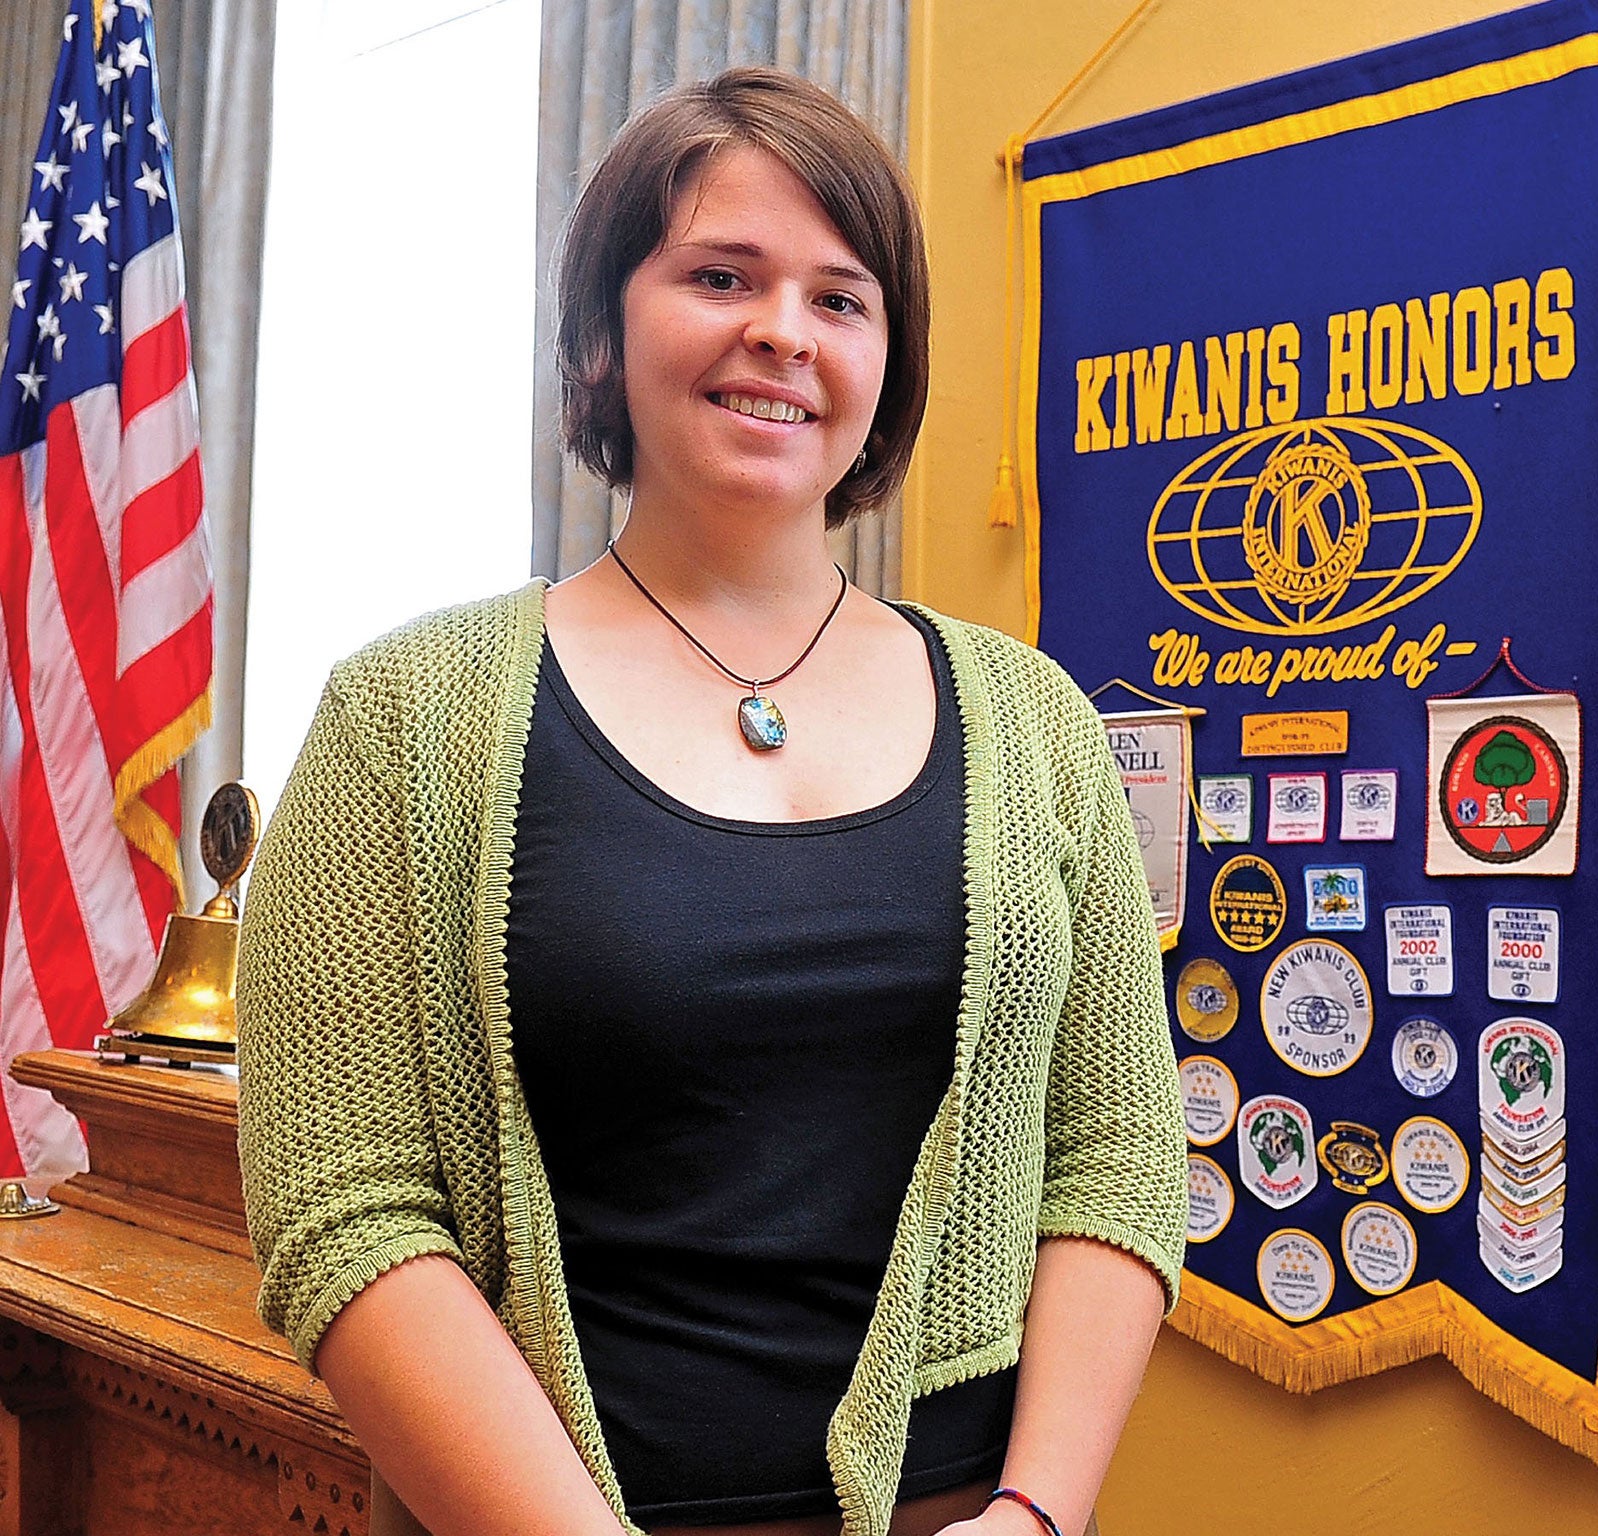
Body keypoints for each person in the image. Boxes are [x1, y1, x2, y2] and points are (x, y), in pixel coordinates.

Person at [235, 68, 1187, 1536]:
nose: (780, 335)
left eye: (841, 297)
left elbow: (1116, 1157)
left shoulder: (1040, 725)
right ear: (606, 332)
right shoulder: (400, 720)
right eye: (721, 275)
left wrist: (1037, 1517)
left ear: (888, 362)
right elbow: (345, 1212)